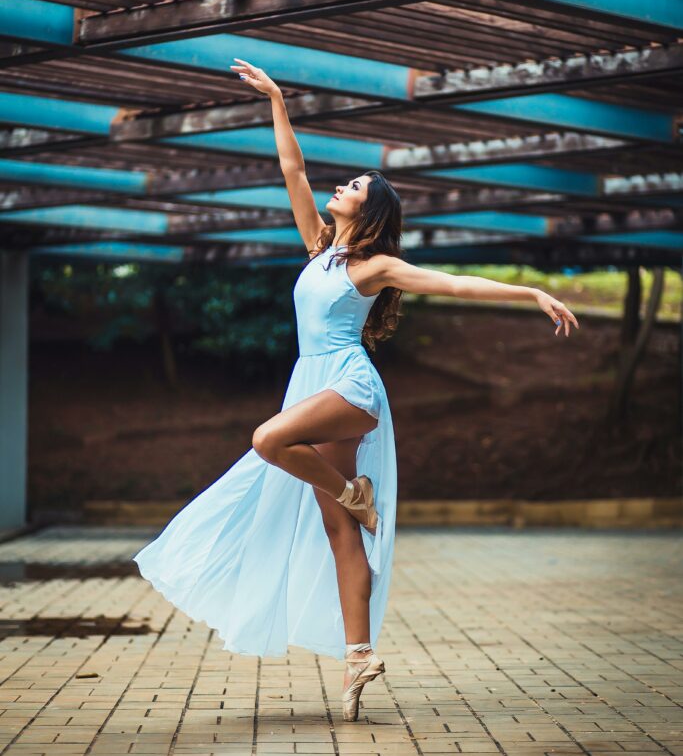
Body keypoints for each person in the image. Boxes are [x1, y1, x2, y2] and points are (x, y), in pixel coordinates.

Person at [134, 56, 579, 722]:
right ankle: (358, 654)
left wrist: (531, 290)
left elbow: (455, 284)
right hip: (308, 382)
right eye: (342, 182)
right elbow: (292, 170)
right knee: (341, 532)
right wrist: (278, 101)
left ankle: (353, 493)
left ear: (369, 210)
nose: (339, 187)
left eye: (352, 186)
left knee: (266, 441)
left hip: (347, 386)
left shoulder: (374, 267)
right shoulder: (319, 247)